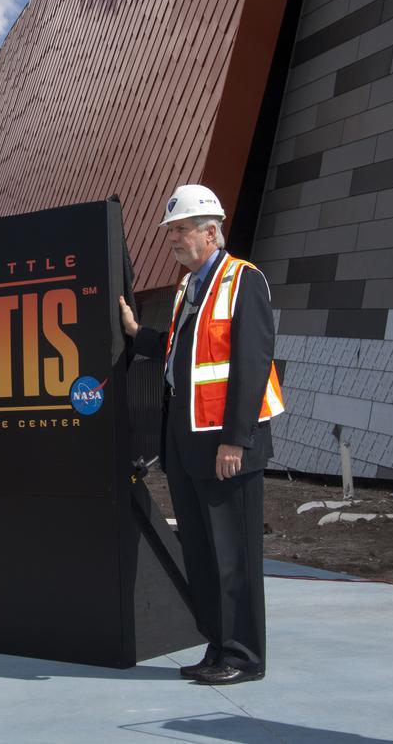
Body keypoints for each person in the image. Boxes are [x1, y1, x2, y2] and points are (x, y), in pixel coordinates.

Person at [118, 184, 284, 685]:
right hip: (188, 445)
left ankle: (244, 656)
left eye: (181, 230)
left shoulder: (243, 281)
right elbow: (178, 351)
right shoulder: (189, 288)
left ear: (211, 233)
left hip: (226, 446)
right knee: (205, 555)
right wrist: (134, 334)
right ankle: (218, 646)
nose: (174, 240)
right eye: (172, 232)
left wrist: (237, 440)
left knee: (235, 556)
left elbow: (252, 366)